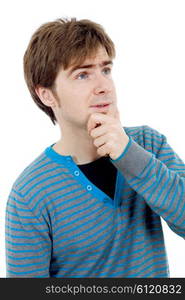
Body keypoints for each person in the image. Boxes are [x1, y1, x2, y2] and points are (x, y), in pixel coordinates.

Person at [5, 17, 185, 278]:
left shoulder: (148, 144)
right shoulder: (30, 194)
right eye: (82, 74)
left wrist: (129, 155)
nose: (103, 87)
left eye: (106, 70)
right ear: (47, 94)